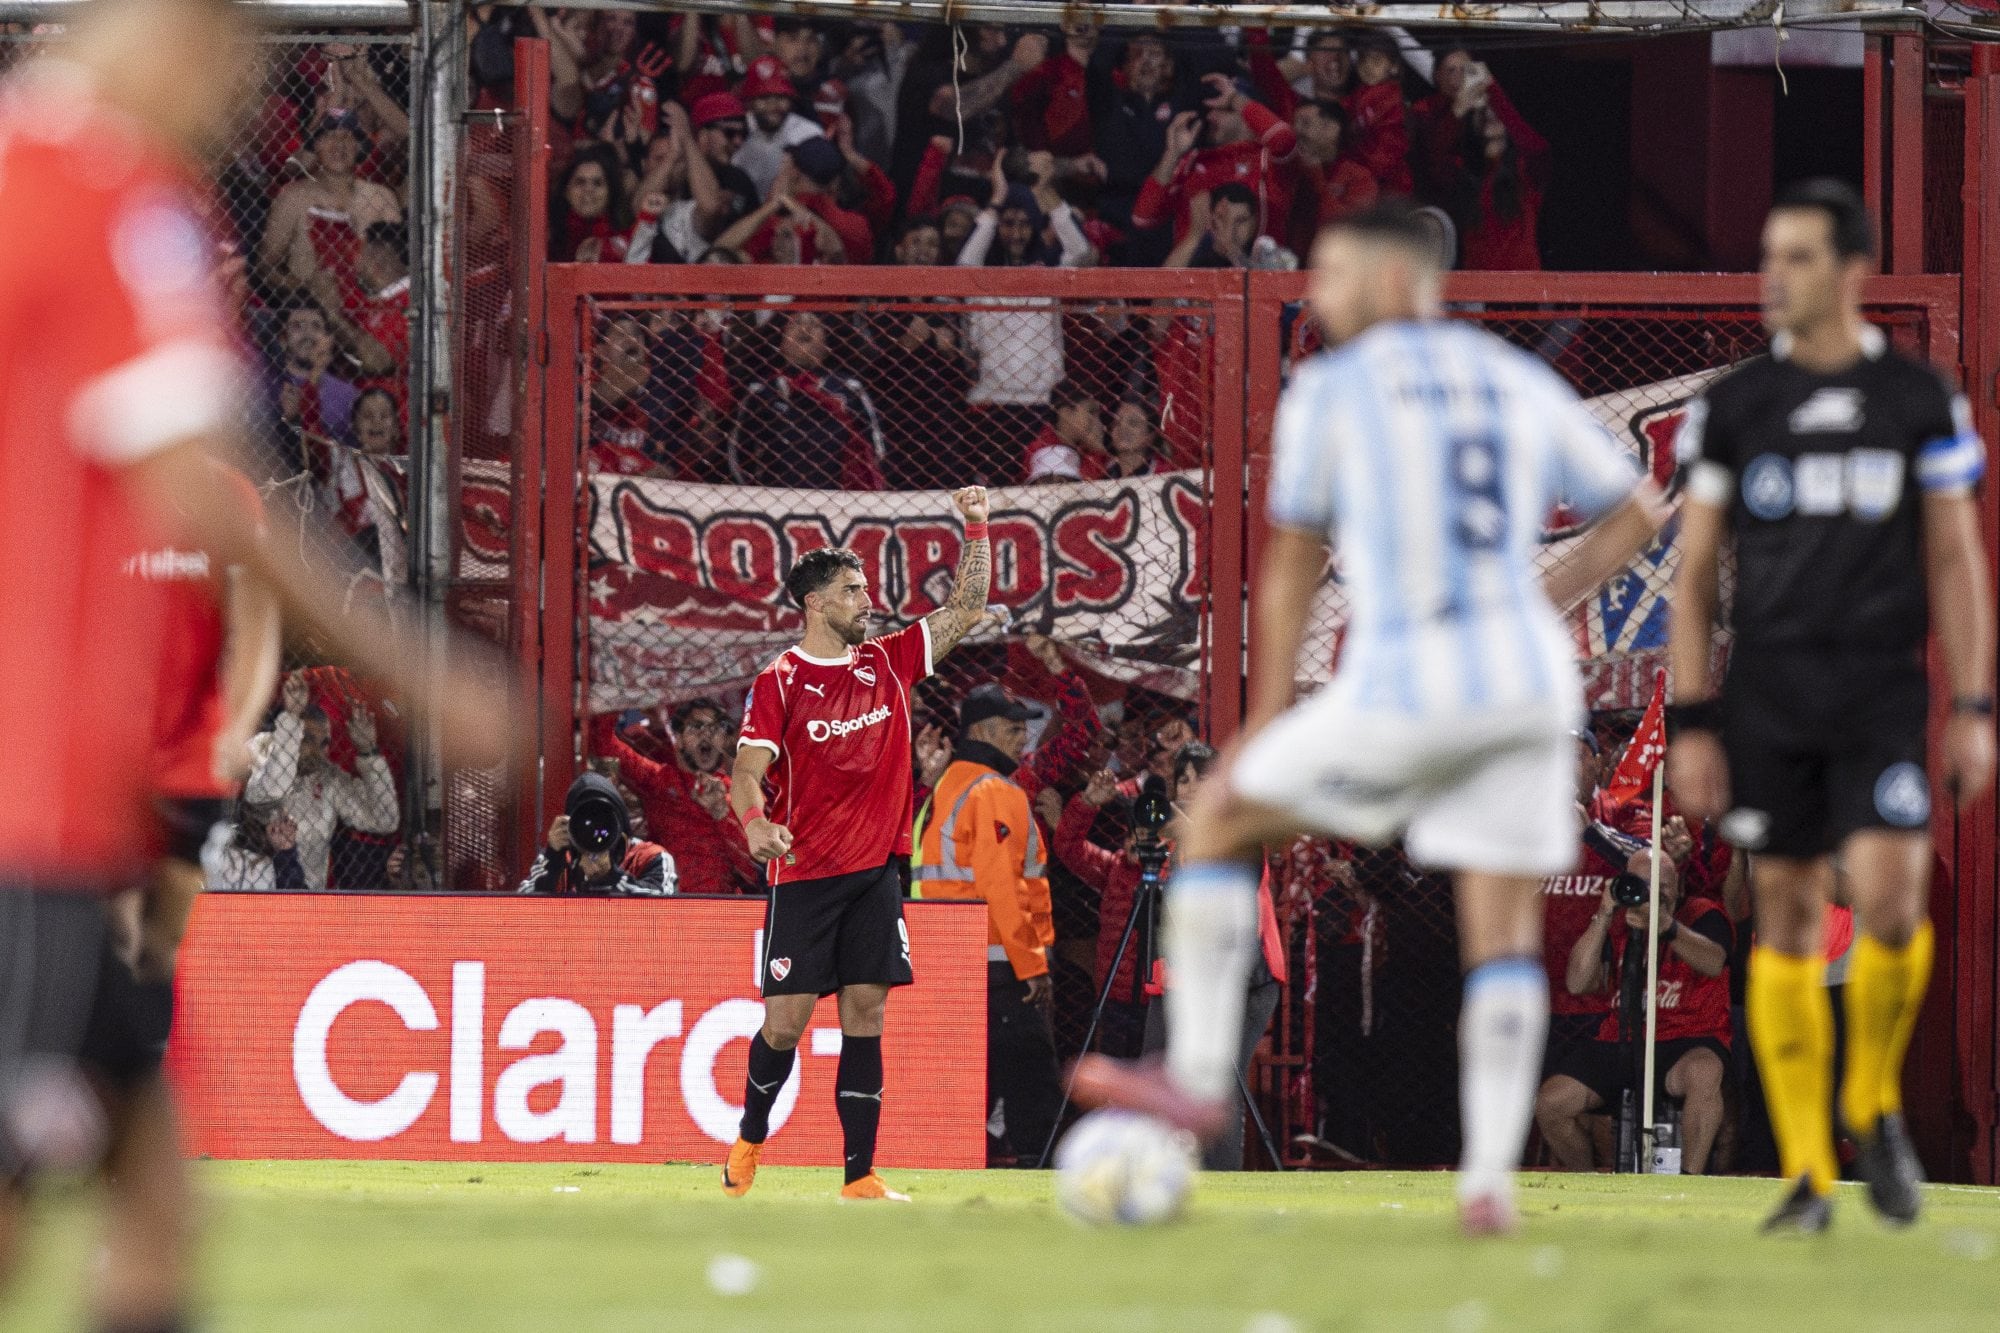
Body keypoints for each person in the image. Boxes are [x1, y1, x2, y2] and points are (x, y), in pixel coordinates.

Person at [0, 2, 512, 1326]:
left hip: (79, 787)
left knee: (152, 1181)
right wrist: (423, 670)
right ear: (181, 39)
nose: (225, 108)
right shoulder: (107, 193)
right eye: (231, 70)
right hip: (31, 802)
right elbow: (203, 492)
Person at [1072, 205, 1668, 1236]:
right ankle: (1485, 1181)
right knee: (1500, 930)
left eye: (1336, 273)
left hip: (1413, 673)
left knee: (1215, 818)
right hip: (1525, 679)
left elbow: (1293, 562)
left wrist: (1260, 721)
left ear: (1395, 280)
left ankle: (1200, 1077)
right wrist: (1540, 599)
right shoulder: (1511, 379)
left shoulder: (1336, 388)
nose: (1318, 292)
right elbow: (1637, 510)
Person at [1666, 179, 1995, 1232]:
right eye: (1768, 256)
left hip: (1876, 693)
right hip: (1767, 701)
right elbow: (1692, 572)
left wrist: (1973, 702)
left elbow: (1953, 557)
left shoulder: (1915, 400)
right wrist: (1688, 721)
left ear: (1849, 270)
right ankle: (1809, 1166)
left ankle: (1871, 1097)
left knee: (1894, 899)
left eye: (1797, 256)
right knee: (1788, 923)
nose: (1774, 276)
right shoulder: (1734, 406)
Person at [723, 488, 993, 1202]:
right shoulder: (778, 682)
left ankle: (859, 1175)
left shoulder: (892, 661)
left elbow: (967, 607)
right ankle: (750, 1136)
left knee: (866, 1013)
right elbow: (748, 771)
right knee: (783, 1024)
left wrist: (976, 524)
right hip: (804, 874)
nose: (866, 601)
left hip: (875, 872)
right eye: (851, 591)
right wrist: (755, 823)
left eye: (866, 588)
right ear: (814, 604)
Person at [914, 684, 1062, 1166]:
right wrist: (1032, 965)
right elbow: (1002, 885)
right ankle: (1043, 1180)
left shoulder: (945, 786)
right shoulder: (994, 790)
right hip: (997, 963)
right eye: (1013, 728)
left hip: (946, 955)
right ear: (982, 731)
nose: (1023, 737)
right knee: (1032, 1082)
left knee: (967, 1084)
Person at [1535, 852, 1733, 1174]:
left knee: (1704, 1072)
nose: (1654, 894)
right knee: (1552, 1102)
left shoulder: (1702, 914)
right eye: (1642, 885)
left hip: (1686, 1038)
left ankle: (1690, 1181)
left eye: (1663, 886)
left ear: (1679, 887)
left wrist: (1666, 926)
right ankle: (1586, 1181)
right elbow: (1577, 982)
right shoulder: (1618, 923)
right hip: (1623, 1038)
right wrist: (1603, 912)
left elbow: (1713, 962)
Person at [244, 673, 400, 892]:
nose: (318, 751)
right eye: (306, 739)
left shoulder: (328, 778)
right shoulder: (260, 761)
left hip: (307, 899)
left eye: (324, 743)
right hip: (253, 895)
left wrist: (369, 752)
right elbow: (274, 787)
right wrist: (291, 717)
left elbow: (385, 820)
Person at [728, 310, 885, 489]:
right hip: (775, 496)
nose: (805, 328)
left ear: (828, 346)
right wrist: (755, 493)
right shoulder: (762, 390)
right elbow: (739, 450)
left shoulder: (849, 388)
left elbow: (875, 446)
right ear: (781, 344)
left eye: (815, 325)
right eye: (796, 324)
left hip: (837, 497)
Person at [519, 772, 676, 896]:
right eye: (586, 824)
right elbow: (519, 908)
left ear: (620, 823)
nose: (596, 832)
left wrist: (612, 876)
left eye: (603, 822)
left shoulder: (650, 858)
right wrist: (553, 859)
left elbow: (664, 905)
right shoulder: (562, 856)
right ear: (570, 824)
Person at [734, 54, 821, 198]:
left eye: (781, 97)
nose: (773, 106)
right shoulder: (735, 131)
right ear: (749, 102)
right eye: (764, 97)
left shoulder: (808, 134)